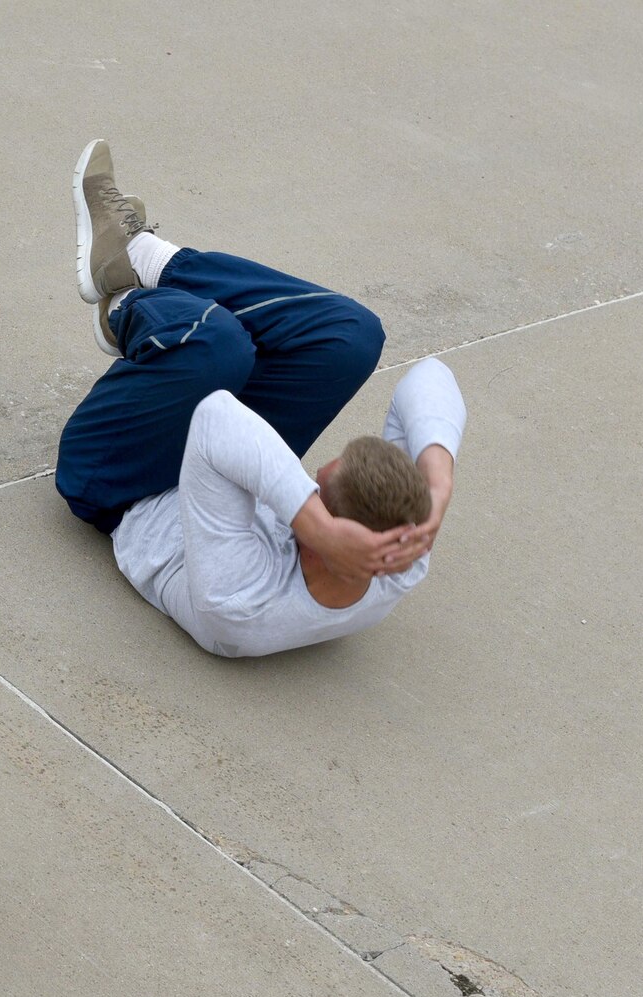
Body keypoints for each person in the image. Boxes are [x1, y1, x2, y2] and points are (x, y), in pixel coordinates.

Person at [56, 140, 467, 658]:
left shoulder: (241, 601)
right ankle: (138, 257)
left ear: (327, 540)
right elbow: (430, 377)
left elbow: (217, 418)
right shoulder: (394, 561)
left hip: (119, 478)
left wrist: (310, 521)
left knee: (218, 347)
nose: (311, 476)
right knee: (352, 337)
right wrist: (438, 482)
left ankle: (130, 307)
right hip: (227, 463)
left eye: (316, 490)